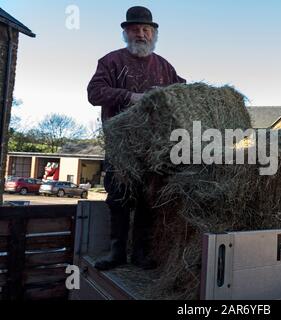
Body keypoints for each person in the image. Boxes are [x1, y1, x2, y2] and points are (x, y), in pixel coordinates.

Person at [87, 6, 186, 270]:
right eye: (135, 30)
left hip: (154, 148)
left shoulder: (165, 66)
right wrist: (131, 97)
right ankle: (116, 253)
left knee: (147, 199)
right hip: (121, 147)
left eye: (146, 30)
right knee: (118, 199)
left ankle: (140, 253)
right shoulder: (111, 61)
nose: (141, 34)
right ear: (126, 33)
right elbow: (94, 93)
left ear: (153, 34)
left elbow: (183, 92)